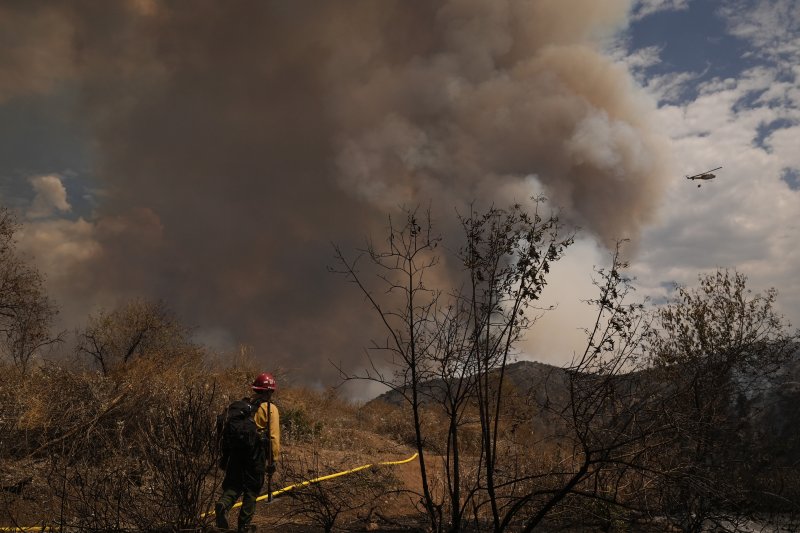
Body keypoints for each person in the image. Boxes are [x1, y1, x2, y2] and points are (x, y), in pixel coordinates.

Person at [215, 372, 280, 532]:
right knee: (252, 489)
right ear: (270, 391)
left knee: (234, 484)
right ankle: (244, 526)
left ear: (255, 389)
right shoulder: (270, 409)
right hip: (256, 454)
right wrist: (273, 460)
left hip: (236, 452)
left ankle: (223, 504)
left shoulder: (244, 405)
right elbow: (273, 437)